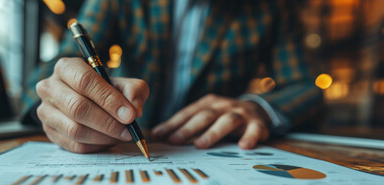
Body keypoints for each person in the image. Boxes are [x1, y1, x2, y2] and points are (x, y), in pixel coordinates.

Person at [21, 0, 322, 153]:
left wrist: (259, 108)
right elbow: (52, 72)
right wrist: (63, 101)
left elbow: (307, 87)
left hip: (214, 146)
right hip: (121, 140)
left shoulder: (273, 7)